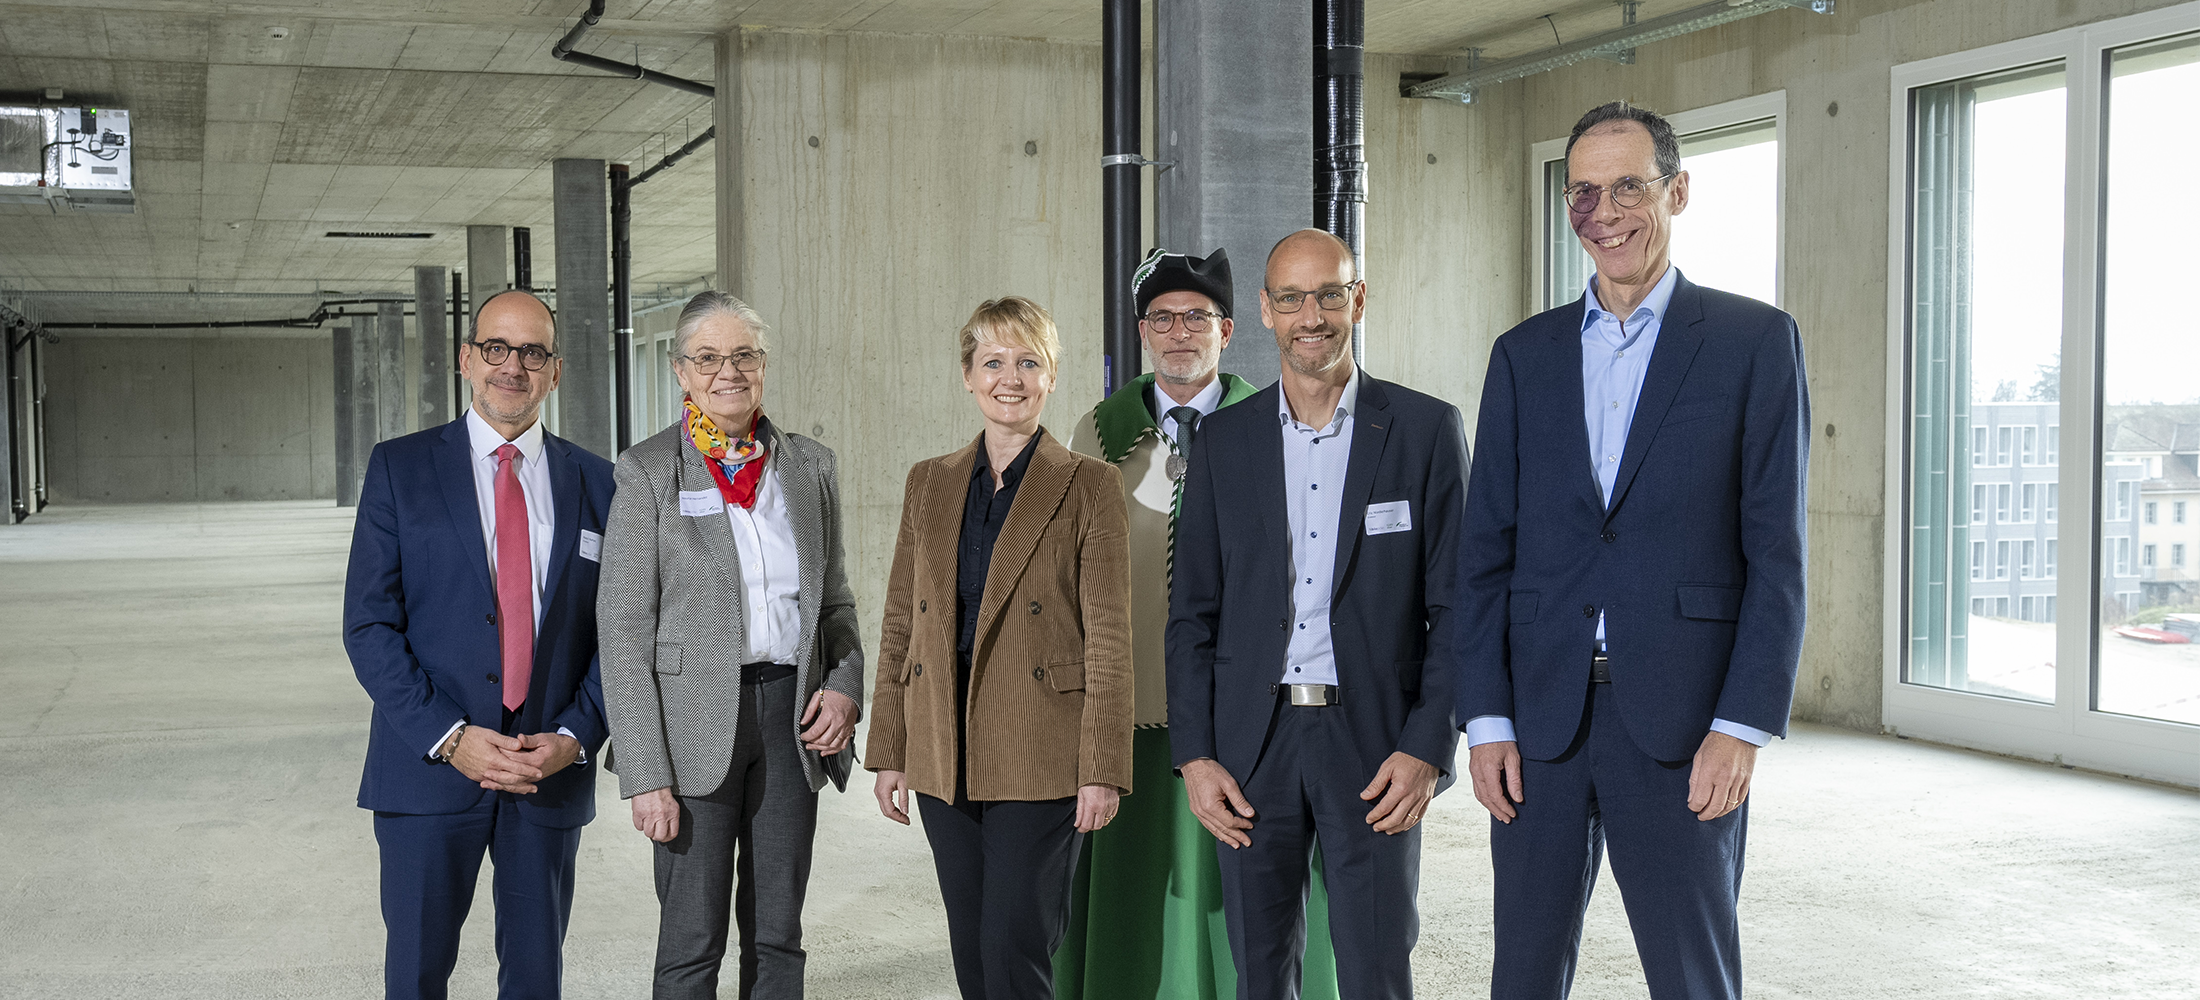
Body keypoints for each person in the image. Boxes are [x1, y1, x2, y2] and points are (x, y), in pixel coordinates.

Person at [1456, 101, 1810, 1000]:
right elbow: (1485, 550)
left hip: (1687, 722)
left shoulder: (1754, 343)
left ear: (1676, 191)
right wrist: (1488, 718)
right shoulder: (1521, 355)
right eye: (1582, 192)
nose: (1603, 213)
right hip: (1540, 722)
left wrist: (1743, 723)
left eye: (1627, 187)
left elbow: (1777, 552)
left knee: (1692, 977)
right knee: (1522, 975)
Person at [1167, 229, 1468, 1000]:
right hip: (1249, 749)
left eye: (1331, 294)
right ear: (1265, 311)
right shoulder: (1223, 441)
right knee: (1259, 973)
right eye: (1293, 297)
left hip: (1375, 746)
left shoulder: (1426, 431)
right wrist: (1196, 755)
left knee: (1376, 968)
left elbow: (1457, 608)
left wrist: (1429, 747)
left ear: (1357, 300)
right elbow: (1191, 613)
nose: (1313, 315)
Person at [1059, 246, 1340, 999]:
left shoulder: (1276, 423)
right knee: (1139, 907)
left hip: (1256, 714)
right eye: (1162, 318)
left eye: (1197, 316)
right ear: (1143, 332)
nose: (1179, 332)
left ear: (1228, 328)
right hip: (1132, 713)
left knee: (1253, 906)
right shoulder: (1096, 434)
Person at [343, 289, 615, 1000]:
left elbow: (618, 634)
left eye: (532, 352)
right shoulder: (399, 468)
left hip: (544, 773)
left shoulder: (599, 482)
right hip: (429, 773)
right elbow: (370, 624)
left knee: (535, 979)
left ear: (556, 371)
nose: (512, 366)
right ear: (468, 359)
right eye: (496, 348)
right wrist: (449, 736)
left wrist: (574, 736)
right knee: (417, 975)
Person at [597, 291, 864, 1000]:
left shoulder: (809, 468)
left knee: (779, 935)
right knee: (691, 940)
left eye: (742, 355)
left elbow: (835, 603)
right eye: (708, 358)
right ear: (682, 373)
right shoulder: (648, 473)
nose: (728, 372)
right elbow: (622, 631)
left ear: (763, 365)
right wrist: (646, 772)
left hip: (790, 720)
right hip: (690, 732)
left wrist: (844, 684)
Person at [867, 296, 1134, 1000]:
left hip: (1040, 744)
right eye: (992, 362)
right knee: (973, 952)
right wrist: (890, 749)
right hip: (942, 745)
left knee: (1015, 948)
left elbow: (1109, 634)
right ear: (967, 375)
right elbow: (903, 623)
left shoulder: (1088, 485)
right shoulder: (929, 481)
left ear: (1050, 377)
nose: (1008, 378)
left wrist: (1102, 767)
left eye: (1027, 362)